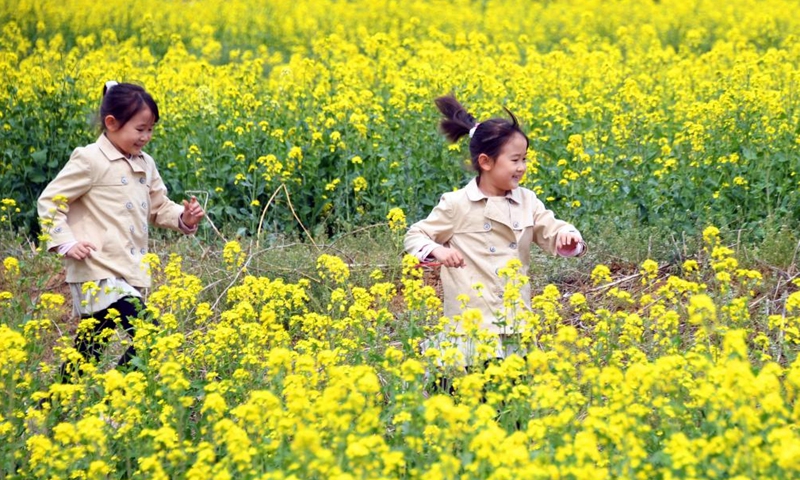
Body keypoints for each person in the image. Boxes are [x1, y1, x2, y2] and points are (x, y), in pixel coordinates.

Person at [37, 81, 205, 381]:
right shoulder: (90, 159)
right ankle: (116, 400)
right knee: (151, 335)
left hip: (127, 270)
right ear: (111, 123)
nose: (146, 137)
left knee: (89, 351)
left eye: (151, 129)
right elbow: (51, 200)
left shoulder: (146, 163)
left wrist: (185, 218)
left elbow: (158, 206)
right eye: (140, 129)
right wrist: (65, 242)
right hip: (97, 270)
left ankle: (51, 410)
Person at [405, 95, 586, 369]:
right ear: (486, 162)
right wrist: (438, 250)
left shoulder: (527, 200)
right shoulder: (457, 204)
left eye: (524, 159)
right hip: (471, 327)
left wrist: (566, 236)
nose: (522, 167)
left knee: (510, 401)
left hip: (514, 322)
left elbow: (550, 227)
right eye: (514, 160)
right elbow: (416, 235)